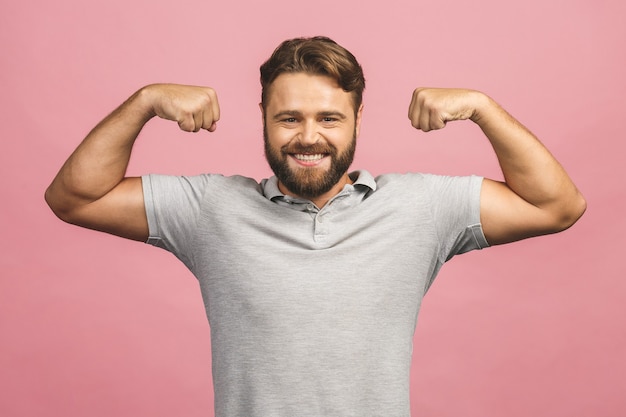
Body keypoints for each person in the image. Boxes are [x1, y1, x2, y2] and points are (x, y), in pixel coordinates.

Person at [45, 36, 586, 416]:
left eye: (329, 118)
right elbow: (75, 197)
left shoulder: (421, 205)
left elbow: (556, 206)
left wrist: (483, 108)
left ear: (357, 118)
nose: (309, 137)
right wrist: (143, 102)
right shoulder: (210, 207)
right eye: (289, 118)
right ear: (262, 116)